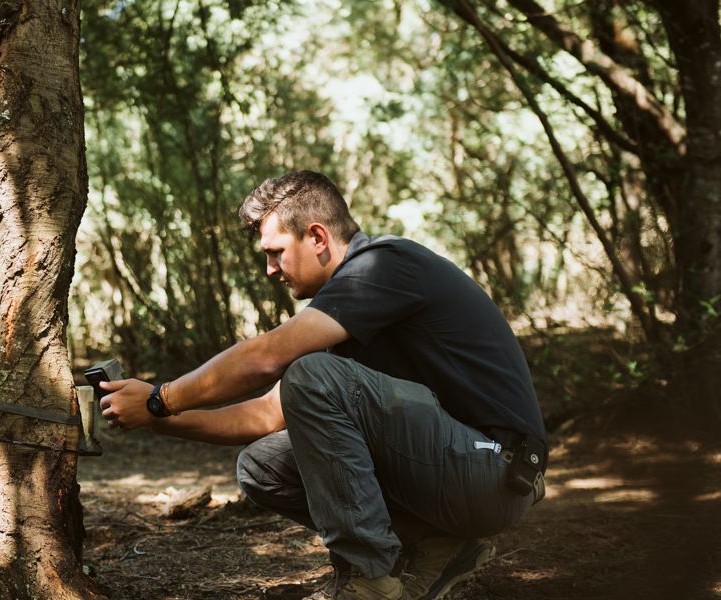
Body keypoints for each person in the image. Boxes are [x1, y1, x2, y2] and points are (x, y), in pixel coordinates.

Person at [98, 170, 547, 600]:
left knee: (309, 375)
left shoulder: (385, 266)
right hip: (455, 468)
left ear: (317, 237)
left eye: (275, 252)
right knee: (262, 465)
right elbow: (263, 415)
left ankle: (369, 581)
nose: (271, 270)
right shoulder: (345, 315)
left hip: (496, 472)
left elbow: (267, 357)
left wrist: (162, 398)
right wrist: (154, 419)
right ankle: (441, 548)